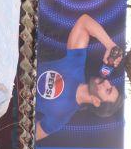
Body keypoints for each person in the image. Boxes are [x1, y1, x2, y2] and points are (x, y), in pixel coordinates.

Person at [35, 12, 123, 141]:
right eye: (111, 85)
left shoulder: (61, 117)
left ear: (96, 102)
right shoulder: (75, 65)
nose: (107, 83)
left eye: (108, 90)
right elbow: (84, 22)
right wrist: (110, 45)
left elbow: (31, 135)